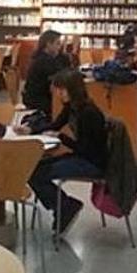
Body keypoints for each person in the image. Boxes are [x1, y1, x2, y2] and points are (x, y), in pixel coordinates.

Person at [17, 70, 107, 235]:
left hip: (93, 162)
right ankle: (64, 206)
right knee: (32, 168)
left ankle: (64, 207)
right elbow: (55, 125)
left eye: (61, 89)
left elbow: (86, 149)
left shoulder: (89, 113)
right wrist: (30, 129)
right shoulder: (72, 107)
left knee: (37, 174)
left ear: (72, 90)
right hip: (82, 156)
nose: (58, 93)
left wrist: (62, 138)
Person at [22, 30, 71, 116]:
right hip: (38, 100)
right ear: (48, 44)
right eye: (57, 43)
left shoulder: (45, 57)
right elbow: (61, 76)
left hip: (39, 96)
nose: (60, 47)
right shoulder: (43, 61)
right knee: (68, 106)